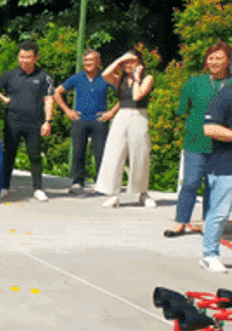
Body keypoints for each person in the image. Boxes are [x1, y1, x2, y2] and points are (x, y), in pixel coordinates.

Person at [169, 42, 232, 237]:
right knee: (191, 182)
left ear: (228, 60)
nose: (215, 62)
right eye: (211, 58)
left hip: (223, 145)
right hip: (196, 142)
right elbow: (183, 109)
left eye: (219, 58)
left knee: (215, 186)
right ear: (206, 61)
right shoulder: (194, 83)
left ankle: (208, 223)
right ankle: (181, 221)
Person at [0, 40, 55, 201]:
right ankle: (4, 186)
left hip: (34, 122)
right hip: (12, 121)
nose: (23, 60)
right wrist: (3, 98)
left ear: (35, 58)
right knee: (9, 155)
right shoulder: (10, 75)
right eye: (21, 56)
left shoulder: (43, 77)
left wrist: (48, 121)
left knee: (34, 155)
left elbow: (49, 99)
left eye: (27, 57)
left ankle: (38, 188)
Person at [96, 49, 156, 209]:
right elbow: (105, 75)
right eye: (126, 63)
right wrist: (121, 58)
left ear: (140, 63)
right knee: (114, 153)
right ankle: (113, 194)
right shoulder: (119, 79)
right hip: (121, 116)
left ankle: (142, 192)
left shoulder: (147, 78)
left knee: (140, 155)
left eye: (133, 61)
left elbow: (137, 96)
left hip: (139, 116)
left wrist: (136, 77)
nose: (129, 65)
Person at [55, 49, 117, 194]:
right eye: (86, 61)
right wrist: (67, 111)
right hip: (80, 119)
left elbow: (123, 94)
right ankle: (77, 182)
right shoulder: (77, 78)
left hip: (99, 120)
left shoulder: (106, 77)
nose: (88, 64)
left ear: (98, 62)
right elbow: (57, 92)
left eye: (91, 61)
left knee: (100, 152)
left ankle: (101, 183)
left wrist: (111, 112)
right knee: (78, 151)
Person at [199, 82, 232, 272]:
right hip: (225, 165)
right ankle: (209, 255)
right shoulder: (224, 96)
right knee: (220, 213)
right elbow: (210, 128)